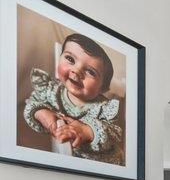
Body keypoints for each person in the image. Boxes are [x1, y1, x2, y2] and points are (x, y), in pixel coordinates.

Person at [22, 33, 123, 165]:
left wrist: (86, 131)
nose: (77, 71)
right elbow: (32, 103)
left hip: (100, 164)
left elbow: (114, 134)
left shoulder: (104, 108)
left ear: (102, 88)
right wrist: (42, 113)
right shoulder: (51, 90)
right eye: (70, 59)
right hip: (64, 156)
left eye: (90, 72)